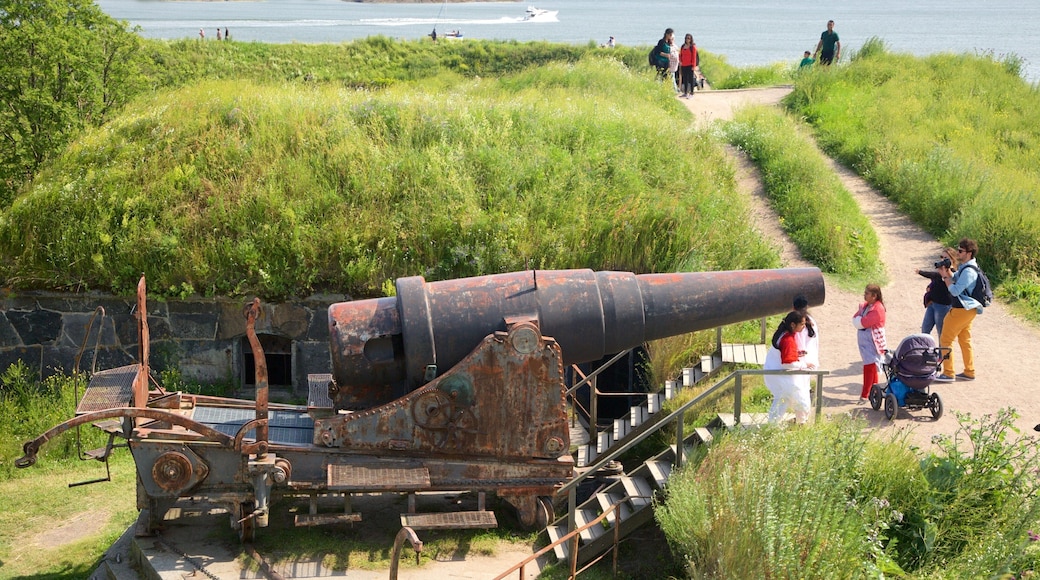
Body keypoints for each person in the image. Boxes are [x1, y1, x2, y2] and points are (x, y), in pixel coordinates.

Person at [935, 238, 983, 381]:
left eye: (961, 251)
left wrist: (945, 276)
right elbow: (955, 278)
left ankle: (948, 372)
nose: (958, 253)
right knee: (964, 340)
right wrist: (947, 271)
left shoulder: (969, 271)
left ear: (969, 253)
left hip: (961, 310)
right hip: (968, 310)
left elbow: (955, 291)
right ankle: (969, 371)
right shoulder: (966, 267)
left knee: (945, 339)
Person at [764, 311, 815, 424]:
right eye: (802, 324)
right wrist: (804, 365)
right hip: (781, 375)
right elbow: (788, 363)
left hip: (774, 371)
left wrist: (797, 354)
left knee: (783, 400)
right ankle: (801, 423)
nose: (803, 327)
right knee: (801, 401)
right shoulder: (788, 339)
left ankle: (773, 425)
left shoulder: (783, 333)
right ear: (793, 325)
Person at [853, 284, 886, 403]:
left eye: (867, 293)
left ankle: (865, 395)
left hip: (872, 341)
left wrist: (858, 320)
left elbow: (863, 322)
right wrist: (858, 320)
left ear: (874, 296)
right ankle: (874, 392)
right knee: (871, 366)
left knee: (869, 366)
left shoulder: (877, 309)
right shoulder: (867, 306)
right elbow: (856, 318)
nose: (864, 295)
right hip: (866, 340)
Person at [917, 247, 959, 338]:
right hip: (932, 303)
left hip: (943, 306)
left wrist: (921, 272)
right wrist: (930, 287)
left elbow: (936, 276)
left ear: (952, 260)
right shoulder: (941, 270)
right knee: (925, 329)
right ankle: (924, 346)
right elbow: (935, 279)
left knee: (941, 333)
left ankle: (942, 348)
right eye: (941, 257)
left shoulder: (953, 274)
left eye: (946, 258)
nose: (943, 260)